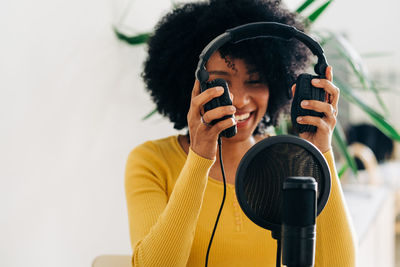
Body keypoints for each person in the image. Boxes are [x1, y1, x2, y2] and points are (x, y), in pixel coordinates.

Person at [125, 0, 357, 266]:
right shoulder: (152, 162)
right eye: (221, 82)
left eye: (255, 81)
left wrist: (319, 152)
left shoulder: (291, 160)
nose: (241, 100)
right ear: (190, 87)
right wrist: (199, 157)